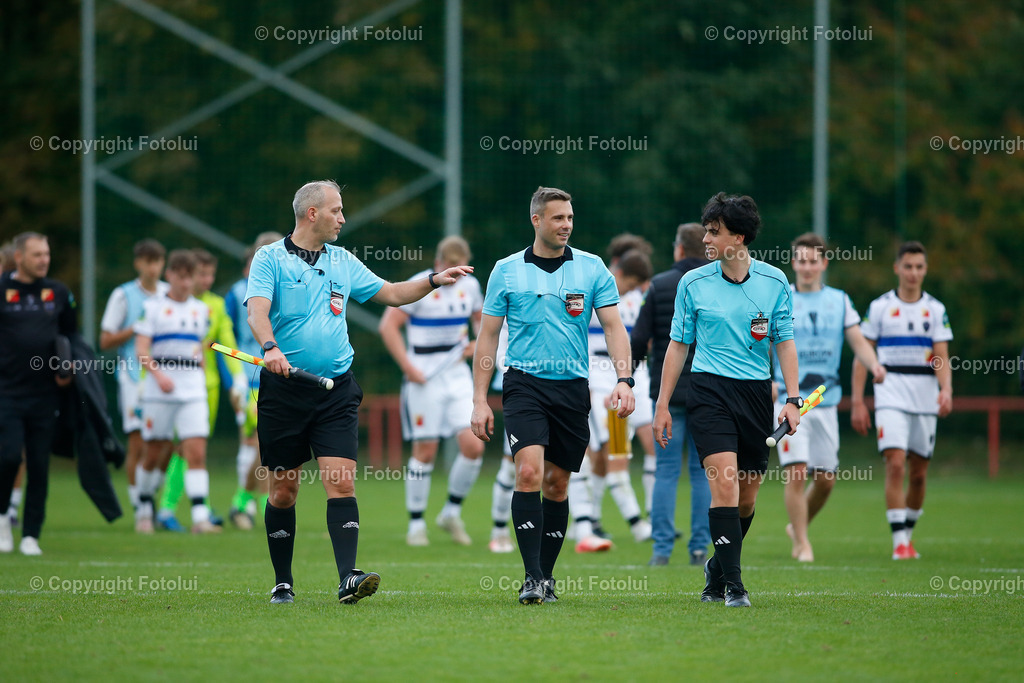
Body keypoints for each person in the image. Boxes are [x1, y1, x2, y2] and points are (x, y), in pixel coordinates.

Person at [246, 179, 471, 605]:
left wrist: (433, 280)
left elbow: (393, 294)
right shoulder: (269, 258)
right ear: (312, 213)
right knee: (283, 491)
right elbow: (257, 311)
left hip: (336, 390)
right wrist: (270, 347)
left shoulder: (342, 260)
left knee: (342, 482)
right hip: (284, 392)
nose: (342, 219)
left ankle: (348, 577)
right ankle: (283, 582)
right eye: (336, 210)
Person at [471, 186, 635, 604]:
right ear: (537, 220)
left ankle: (546, 576)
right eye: (558, 217)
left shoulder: (592, 268)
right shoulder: (506, 270)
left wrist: (624, 379)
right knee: (528, 473)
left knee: (558, 484)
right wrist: (479, 399)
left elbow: (614, 327)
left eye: (570, 218)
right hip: (524, 385)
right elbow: (487, 337)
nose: (566, 225)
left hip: (572, 388)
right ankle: (531, 577)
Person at [653, 192, 800, 608]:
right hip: (708, 392)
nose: (706, 239)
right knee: (724, 484)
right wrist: (662, 404)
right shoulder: (692, 283)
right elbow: (678, 345)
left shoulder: (775, 282)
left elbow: (784, 342)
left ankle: (716, 569)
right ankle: (734, 587)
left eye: (714, 232)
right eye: (706, 231)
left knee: (746, 499)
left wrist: (793, 398)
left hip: (755, 394)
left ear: (738, 237)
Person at [773, 233, 885, 562]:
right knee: (796, 471)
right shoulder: (780, 298)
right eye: (801, 261)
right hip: (790, 401)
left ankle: (797, 526)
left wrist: (874, 365)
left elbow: (858, 340)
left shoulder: (839, 301)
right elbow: (763, 344)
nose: (807, 267)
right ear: (793, 263)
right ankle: (802, 544)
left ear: (823, 263)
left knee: (826, 480)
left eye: (813, 261)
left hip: (825, 401)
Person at [378, 236, 485, 547]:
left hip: (458, 375)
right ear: (438, 264)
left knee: (474, 445)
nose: (456, 276)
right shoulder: (420, 286)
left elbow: (481, 322)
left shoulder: (471, 286)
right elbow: (388, 326)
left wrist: (478, 343)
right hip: (424, 378)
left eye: (461, 269)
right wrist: (408, 367)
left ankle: (451, 512)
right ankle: (416, 524)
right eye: (450, 268)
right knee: (425, 452)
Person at [852, 240, 952, 560]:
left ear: (925, 270)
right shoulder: (880, 307)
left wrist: (946, 390)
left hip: (925, 398)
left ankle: (907, 533)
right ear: (897, 268)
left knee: (919, 473)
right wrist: (858, 400)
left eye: (919, 267)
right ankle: (899, 543)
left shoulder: (935, 309)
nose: (913, 272)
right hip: (890, 394)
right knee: (895, 463)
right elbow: (861, 355)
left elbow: (941, 355)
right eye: (907, 266)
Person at [631, 222, 713, 567]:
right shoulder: (716, 281)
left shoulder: (660, 284)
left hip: (666, 393)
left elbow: (639, 338)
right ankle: (699, 547)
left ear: (679, 249)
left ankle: (662, 549)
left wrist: (626, 378)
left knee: (665, 471)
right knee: (702, 471)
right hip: (708, 390)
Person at [155, 248, 248, 531]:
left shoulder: (216, 306)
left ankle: (188, 509)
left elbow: (227, 342)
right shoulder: (166, 304)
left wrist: (239, 377)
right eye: (201, 274)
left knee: (193, 449)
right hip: (170, 387)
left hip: (206, 388)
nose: (207, 280)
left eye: (210, 274)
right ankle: (161, 506)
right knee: (179, 448)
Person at [0, 232, 77, 555]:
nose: (44, 260)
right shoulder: (2, 289)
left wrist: (68, 368)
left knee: (40, 465)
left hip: (46, 394)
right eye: (37, 255)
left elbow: (71, 335)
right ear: (19, 257)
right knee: (8, 456)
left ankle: (31, 534)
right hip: (7, 392)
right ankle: (3, 518)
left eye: (46, 254)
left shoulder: (58, 292)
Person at [571, 247, 652, 549]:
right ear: (619, 272)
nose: (630, 290)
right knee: (596, 454)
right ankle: (633, 524)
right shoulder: (591, 291)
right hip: (594, 381)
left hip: (622, 380)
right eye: (629, 283)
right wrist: (591, 385)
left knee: (613, 454)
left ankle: (590, 521)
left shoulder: (633, 299)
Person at [133, 249, 218, 534]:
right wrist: (158, 375)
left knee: (196, 451)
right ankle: (144, 506)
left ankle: (200, 517)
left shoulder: (201, 310)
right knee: (155, 452)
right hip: (159, 391)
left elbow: (199, 348)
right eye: (180, 277)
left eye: (189, 277)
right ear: (169, 275)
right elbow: (141, 350)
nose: (185, 283)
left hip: (193, 390)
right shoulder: (152, 308)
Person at [99, 239, 168, 523]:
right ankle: (140, 507)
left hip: (163, 377)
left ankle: (148, 496)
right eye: (148, 262)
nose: (153, 268)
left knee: (165, 443)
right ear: (138, 263)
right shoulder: (123, 295)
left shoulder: (168, 293)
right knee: (139, 442)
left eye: (158, 261)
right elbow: (105, 340)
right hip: (133, 377)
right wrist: (136, 329)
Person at [224, 232, 282, 529]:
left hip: (280, 375)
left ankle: (249, 502)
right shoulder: (237, 293)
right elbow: (225, 338)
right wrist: (232, 380)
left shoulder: (286, 287)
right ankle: (249, 502)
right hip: (249, 378)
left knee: (270, 445)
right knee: (255, 442)